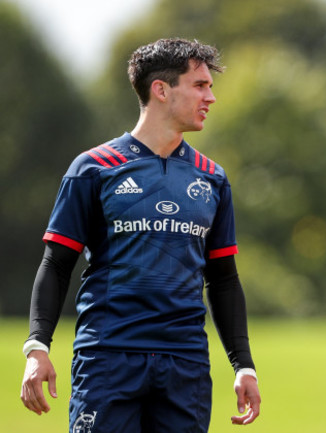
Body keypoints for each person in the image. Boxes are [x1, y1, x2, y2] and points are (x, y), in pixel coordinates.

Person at [20, 38, 261, 432]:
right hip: (107, 359)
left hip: (186, 365)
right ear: (161, 90)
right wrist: (37, 347)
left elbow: (223, 278)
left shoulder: (212, 178)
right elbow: (57, 263)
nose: (211, 97)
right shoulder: (93, 168)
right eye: (200, 85)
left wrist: (243, 364)